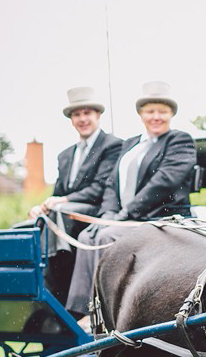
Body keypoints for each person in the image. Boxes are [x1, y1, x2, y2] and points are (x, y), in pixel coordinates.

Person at [65, 81, 197, 324]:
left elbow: (163, 183)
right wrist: (107, 214)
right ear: (141, 114)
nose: (156, 116)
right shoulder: (131, 144)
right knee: (86, 237)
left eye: (162, 111)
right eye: (150, 111)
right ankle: (82, 310)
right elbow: (111, 185)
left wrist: (125, 213)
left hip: (159, 218)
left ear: (171, 114)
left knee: (106, 237)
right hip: (126, 219)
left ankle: (104, 312)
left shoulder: (179, 141)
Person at [29, 87, 122, 302]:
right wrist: (42, 206)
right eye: (77, 115)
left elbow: (101, 188)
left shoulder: (112, 146)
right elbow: (58, 193)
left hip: (94, 212)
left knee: (58, 214)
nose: (82, 119)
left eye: (87, 113)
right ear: (71, 119)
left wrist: (63, 201)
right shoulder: (65, 155)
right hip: (64, 215)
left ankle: (55, 279)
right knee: (33, 222)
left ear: (98, 115)